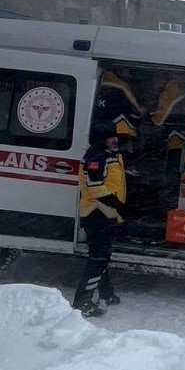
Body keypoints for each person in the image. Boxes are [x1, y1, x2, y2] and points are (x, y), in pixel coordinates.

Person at [72, 121, 128, 317]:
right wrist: (116, 203)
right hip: (96, 213)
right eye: (110, 136)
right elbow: (95, 186)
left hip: (105, 214)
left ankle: (106, 293)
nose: (115, 139)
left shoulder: (109, 155)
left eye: (116, 136)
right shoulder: (96, 156)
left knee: (101, 255)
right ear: (101, 138)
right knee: (99, 258)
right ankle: (82, 302)